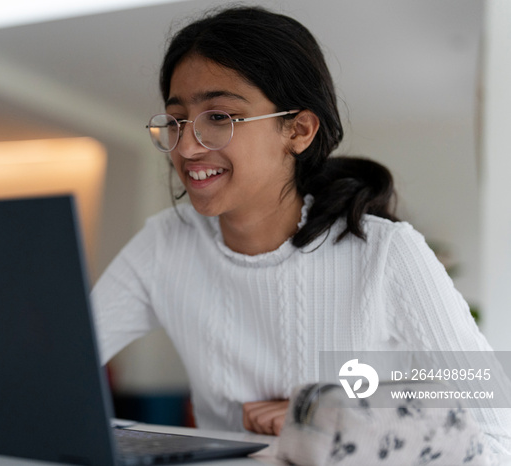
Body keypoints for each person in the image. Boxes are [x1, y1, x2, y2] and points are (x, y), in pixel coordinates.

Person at [91, 5, 511, 459]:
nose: (188, 147)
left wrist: (338, 419)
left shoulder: (388, 253)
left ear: (298, 129)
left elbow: (498, 437)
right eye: (176, 120)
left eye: (219, 117)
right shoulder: (164, 244)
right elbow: (51, 370)